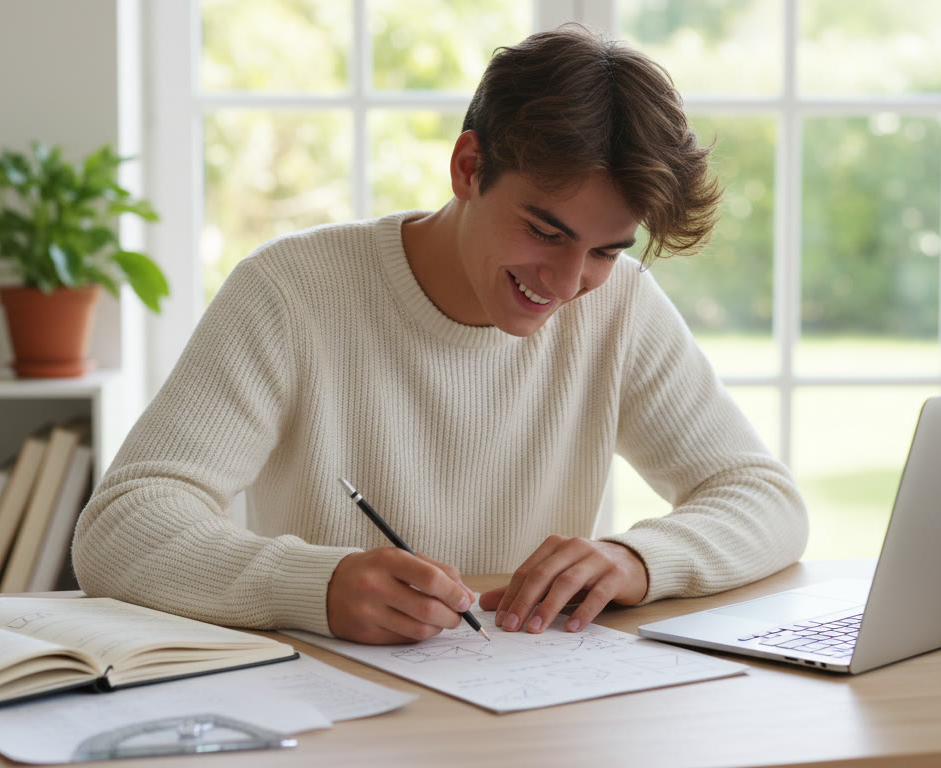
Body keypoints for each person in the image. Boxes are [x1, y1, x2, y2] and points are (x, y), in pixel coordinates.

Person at [72, 24, 807, 645]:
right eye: (545, 231)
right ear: (467, 167)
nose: (567, 281)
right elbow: (121, 526)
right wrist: (315, 584)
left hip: (529, 708)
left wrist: (639, 558)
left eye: (607, 250)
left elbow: (762, 498)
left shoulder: (621, 308)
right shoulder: (290, 291)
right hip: (331, 712)